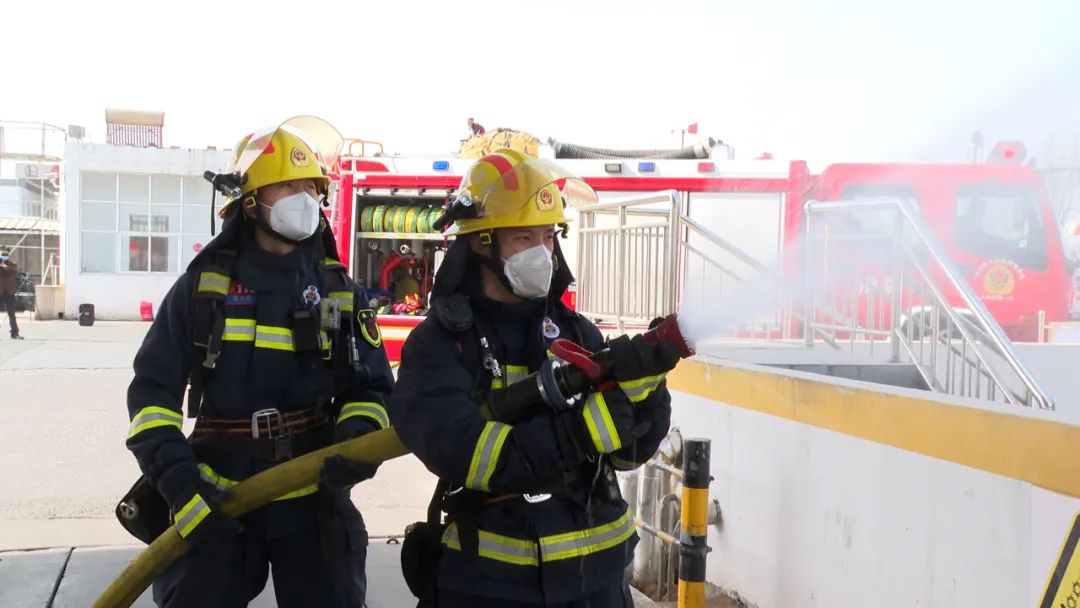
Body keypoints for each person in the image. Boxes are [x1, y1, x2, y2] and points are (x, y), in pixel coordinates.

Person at [391, 150, 680, 607]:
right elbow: (460, 451)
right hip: (492, 584)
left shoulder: (577, 332)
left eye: (548, 236)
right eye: (524, 237)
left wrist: (646, 392)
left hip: (599, 580)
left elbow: (627, 457)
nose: (542, 253)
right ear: (481, 243)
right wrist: (577, 434)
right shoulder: (440, 345)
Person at [124, 117, 393, 607]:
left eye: (311, 188)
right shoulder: (201, 291)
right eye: (288, 186)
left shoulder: (339, 292)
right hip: (217, 493)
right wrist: (180, 481)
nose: (304, 198)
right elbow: (151, 398)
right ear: (249, 202)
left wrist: (355, 441)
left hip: (312, 492)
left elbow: (372, 389)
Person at [0, 248, 23, 339]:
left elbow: (14, 271)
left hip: (9, 291)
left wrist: (5, 266)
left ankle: (14, 333)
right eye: (2, 255)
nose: (4, 257)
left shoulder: (11, 264)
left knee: (11, 313)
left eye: (6, 255)